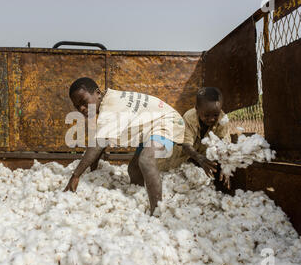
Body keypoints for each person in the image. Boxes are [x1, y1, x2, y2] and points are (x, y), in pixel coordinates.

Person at [63, 77, 185, 215]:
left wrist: (76, 175)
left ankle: (157, 212)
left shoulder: (110, 107)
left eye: (84, 102)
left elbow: (97, 146)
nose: (82, 108)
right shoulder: (109, 102)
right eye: (77, 106)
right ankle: (139, 198)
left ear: (97, 93)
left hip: (168, 122)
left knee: (146, 160)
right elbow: (101, 144)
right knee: (133, 169)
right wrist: (93, 171)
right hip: (150, 129)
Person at [157, 87, 232, 192]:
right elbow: (186, 145)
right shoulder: (189, 118)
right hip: (186, 155)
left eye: (215, 115)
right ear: (197, 108)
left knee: (219, 171)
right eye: (206, 115)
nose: (211, 119)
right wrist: (199, 159)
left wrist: (226, 165)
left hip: (206, 156)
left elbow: (225, 144)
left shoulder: (222, 119)